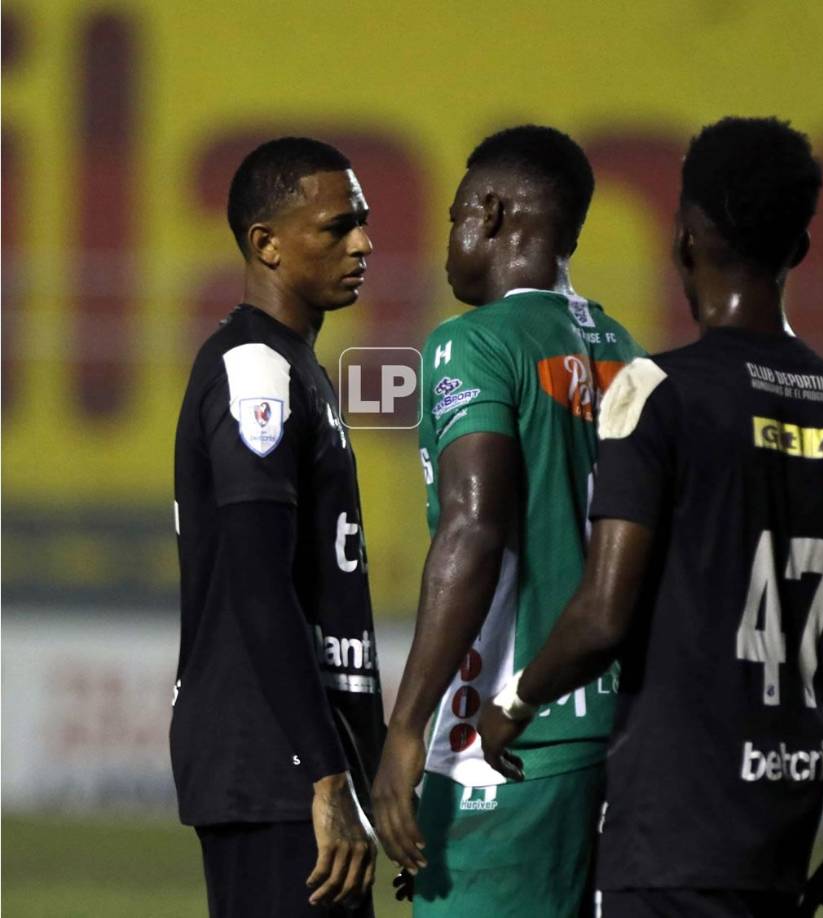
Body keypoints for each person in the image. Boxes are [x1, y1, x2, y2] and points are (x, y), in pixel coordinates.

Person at [479, 116, 823, 918]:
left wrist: (512, 703)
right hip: (785, 836)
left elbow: (601, 615)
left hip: (666, 835)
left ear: (684, 238)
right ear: (799, 251)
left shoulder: (655, 395)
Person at [371, 125, 645, 916]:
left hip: (503, 738)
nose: (447, 241)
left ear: (489, 215)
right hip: (607, 723)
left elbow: (473, 528)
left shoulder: (475, 345)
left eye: (455, 215)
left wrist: (406, 725)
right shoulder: (623, 349)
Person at [171, 137, 386, 918]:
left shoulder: (295, 367)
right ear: (266, 244)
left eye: (362, 222)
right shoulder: (256, 370)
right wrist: (325, 774)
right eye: (337, 227)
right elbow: (259, 585)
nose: (363, 242)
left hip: (301, 760)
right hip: (275, 767)